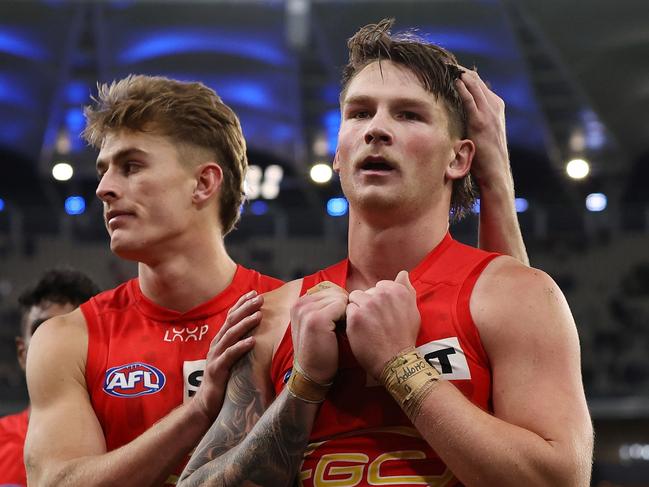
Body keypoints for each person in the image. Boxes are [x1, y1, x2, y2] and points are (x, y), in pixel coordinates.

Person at [178, 19, 592, 487]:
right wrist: (305, 384)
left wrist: (400, 364)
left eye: (408, 115)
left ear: (458, 158)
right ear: (337, 153)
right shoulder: (275, 315)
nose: (376, 129)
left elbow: (560, 480)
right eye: (358, 113)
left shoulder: (516, 295)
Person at [23, 76, 284, 487]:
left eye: (131, 166)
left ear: (203, 183)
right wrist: (198, 412)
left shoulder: (291, 315)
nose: (104, 188)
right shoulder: (67, 338)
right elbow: (58, 482)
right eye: (104, 170)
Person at [0, 268, 100, 487]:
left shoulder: (128, 443)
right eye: (41, 329)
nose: (54, 345)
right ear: (22, 353)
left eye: (68, 329)